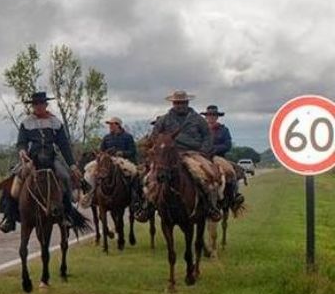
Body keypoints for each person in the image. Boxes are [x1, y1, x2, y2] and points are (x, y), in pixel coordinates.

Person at [0, 91, 82, 233]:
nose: (38, 106)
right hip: (33, 159)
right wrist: (22, 151)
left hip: (51, 158)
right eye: (35, 104)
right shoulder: (26, 123)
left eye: (40, 104)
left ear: (46, 104)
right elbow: (21, 142)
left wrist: (72, 165)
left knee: (65, 177)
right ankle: (10, 217)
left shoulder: (56, 123)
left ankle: (67, 214)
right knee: (14, 180)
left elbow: (64, 146)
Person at [151, 90, 222, 221]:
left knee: (208, 174)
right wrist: (160, 149)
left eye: (182, 103)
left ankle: (211, 206)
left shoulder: (198, 119)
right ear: (173, 103)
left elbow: (207, 136)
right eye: (176, 103)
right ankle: (147, 205)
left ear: (187, 103)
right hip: (170, 154)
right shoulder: (164, 119)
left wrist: (203, 151)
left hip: (193, 153)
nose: (179, 105)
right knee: (149, 176)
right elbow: (155, 135)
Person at [85, 117, 142, 209]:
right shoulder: (106, 138)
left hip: (123, 160)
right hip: (108, 160)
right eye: (109, 124)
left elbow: (132, 151)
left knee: (134, 173)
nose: (110, 126)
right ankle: (91, 194)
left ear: (118, 125)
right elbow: (101, 150)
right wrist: (101, 155)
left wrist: (122, 153)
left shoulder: (128, 137)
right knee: (90, 171)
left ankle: (135, 197)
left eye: (112, 124)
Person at [201, 104, 245, 206]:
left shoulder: (224, 130)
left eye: (213, 115)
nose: (211, 117)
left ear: (217, 117)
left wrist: (214, 149)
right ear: (206, 117)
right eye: (209, 115)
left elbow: (227, 145)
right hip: (202, 156)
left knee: (230, 172)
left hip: (218, 157)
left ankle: (233, 196)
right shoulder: (200, 129)